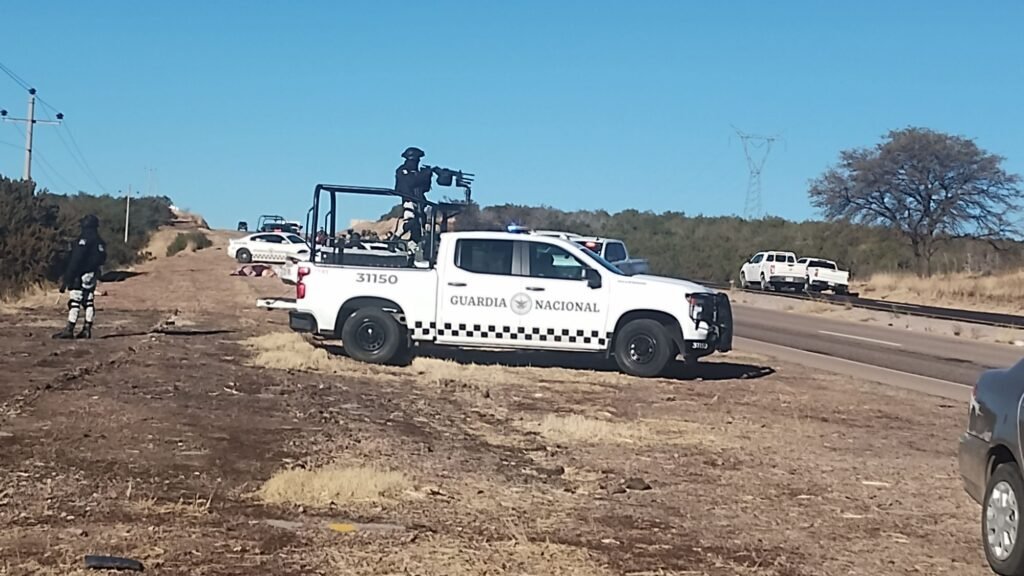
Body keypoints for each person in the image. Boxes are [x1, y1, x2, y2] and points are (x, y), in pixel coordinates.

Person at [53, 214, 107, 340]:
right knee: (88, 300)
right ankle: (87, 329)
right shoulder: (100, 241)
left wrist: (68, 278)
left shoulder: (84, 240)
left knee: (74, 301)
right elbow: (102, 258)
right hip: (93, 274)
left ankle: (69, 329)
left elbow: (76, 260)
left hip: (81, 274)